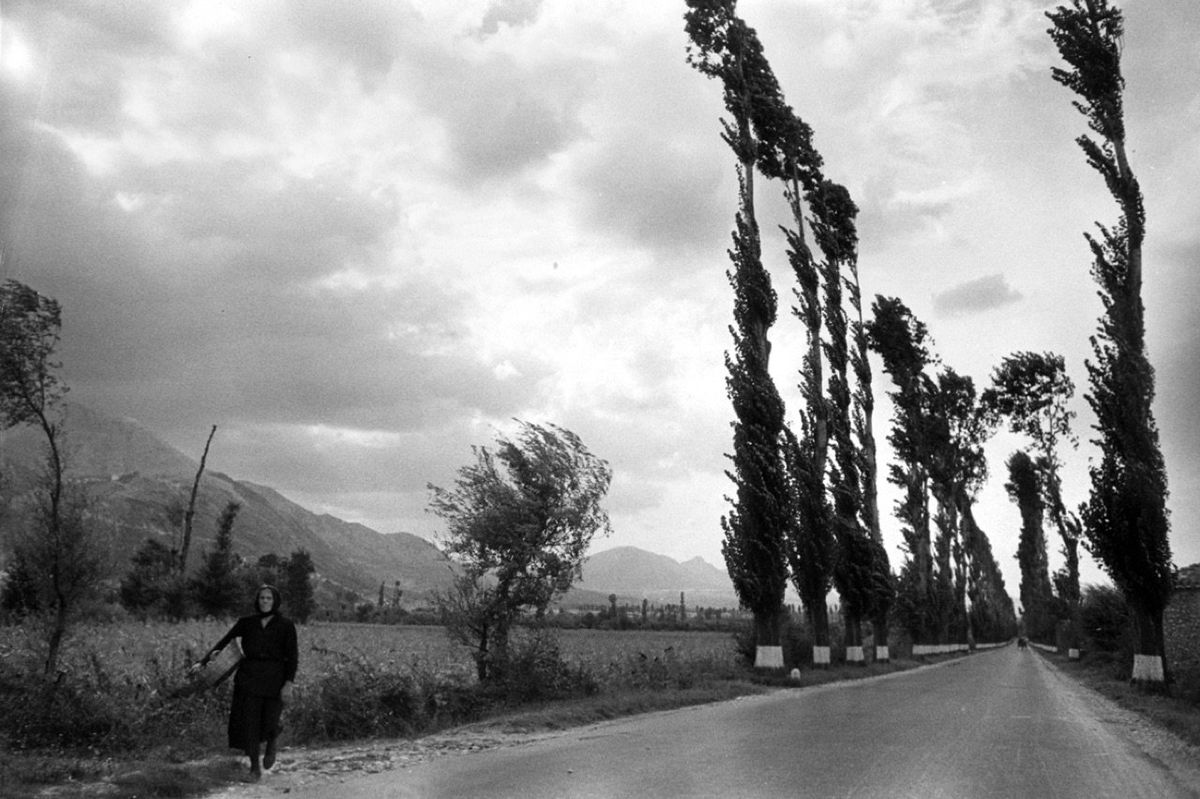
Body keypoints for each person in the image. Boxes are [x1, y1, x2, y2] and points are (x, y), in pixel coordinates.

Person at [201, 584, 298, 780]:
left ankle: (272, 742)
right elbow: (224, 641)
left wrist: (288, 683)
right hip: (249, 676)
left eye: (269, 598)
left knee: (270, 720)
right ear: (257, 600)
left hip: (275, 677)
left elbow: (293, 656)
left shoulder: (286, 625)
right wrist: (203, 662)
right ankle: (254, 766)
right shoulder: (246, 622)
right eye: (262, 598)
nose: (265, 601)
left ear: (275, 601)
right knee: (250, 723)